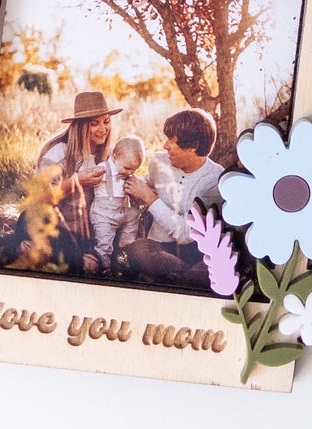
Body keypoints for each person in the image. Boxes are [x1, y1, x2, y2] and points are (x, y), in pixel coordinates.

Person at [121, 108, 224, 286]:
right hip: (158, 248)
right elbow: (145, 187)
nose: (165, 146)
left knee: (214, 264)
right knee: (138, 249)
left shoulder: (214, 179)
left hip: (194, 250)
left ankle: (179, 280)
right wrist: (127, 180)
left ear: (193, 147)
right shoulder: (160, 162)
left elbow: (186, 234)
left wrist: (150, 199)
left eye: (171, 141)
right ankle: (187, 281)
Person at [31, 90, 120, 273]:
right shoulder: (59, 153)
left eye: (106, 121)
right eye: (94, 124)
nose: (102, 129)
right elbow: (38, 199)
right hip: (57, 227)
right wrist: (76, 182)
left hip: (87, 233)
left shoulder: (109, 156)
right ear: (79, 126)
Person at [89, 134, 146, 270]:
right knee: (104, 240)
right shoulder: (104, 168)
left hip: (121, 210)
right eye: (127, 168)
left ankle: (126, 243)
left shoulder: (128, 172)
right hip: (103, 213)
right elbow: (90, 176)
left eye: (134, 170)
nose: (130, 172)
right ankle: (104, 265)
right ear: (114, 157)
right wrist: (95, 174)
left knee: (134, 214)